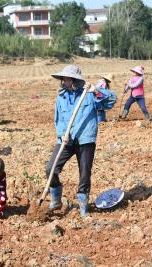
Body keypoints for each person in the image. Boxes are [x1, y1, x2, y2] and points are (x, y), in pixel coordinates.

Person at [46, 65, 116, 218]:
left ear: (75, 80)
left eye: (67, 78)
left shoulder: (89, 94)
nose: (64, 81)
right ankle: (56, 200)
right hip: (66, 140)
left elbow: (111, 101)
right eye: (63, 78)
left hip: (86, 139)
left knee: (84, 174)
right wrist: (62, 134)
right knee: (51, 169)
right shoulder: (61, 96)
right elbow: (59, 120)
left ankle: (84, 208)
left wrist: (96, 91)